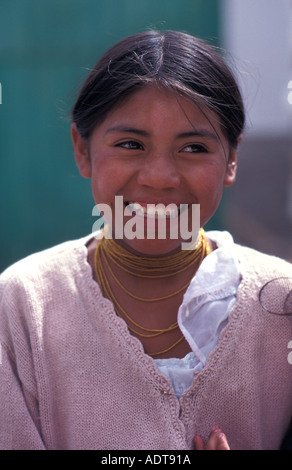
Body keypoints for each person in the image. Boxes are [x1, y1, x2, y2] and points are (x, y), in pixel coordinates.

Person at [0, 30, 292, 451]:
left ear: (231, 160)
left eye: (193, 148)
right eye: (130, 145)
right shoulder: (26, 305)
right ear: (82, 150)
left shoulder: (280, 305)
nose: (159, 177)